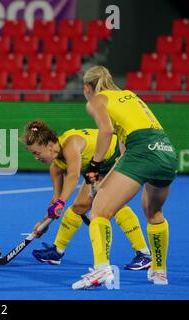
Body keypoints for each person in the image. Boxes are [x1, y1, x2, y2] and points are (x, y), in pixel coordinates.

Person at [72, 66, 178, 289]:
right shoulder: (129, 95)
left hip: (142, 150)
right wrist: (104, 180)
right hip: (166, 151)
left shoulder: (96, 100)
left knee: (99, 211)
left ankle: (101, 269)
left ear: (87, 88)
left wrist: (94, 165)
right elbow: (124, 155)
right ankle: (159, 272)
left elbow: (106, 131)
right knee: (153, 211)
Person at [21, 120, 151, 271]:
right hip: (98, 166)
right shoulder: (55, 168)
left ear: (50, 146)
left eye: (36, 153)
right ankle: (56, 252)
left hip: (117, 155)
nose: (36, 158)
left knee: (112, 204)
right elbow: (56, 200)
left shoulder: (71, 144)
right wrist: (44, 222)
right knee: (79, 207)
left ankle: (144, 254)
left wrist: (61, 202)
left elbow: (73, 176)